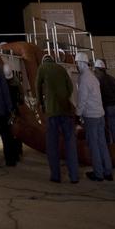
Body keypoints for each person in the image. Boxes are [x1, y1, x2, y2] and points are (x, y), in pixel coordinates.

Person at [36, 51, 79, 184]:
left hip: (52, 112)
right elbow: (70, 87)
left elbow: (37, 86)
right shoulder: (61, 68)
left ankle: (56, 176)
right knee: (70, 144)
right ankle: (74, 176)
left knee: (52, 145)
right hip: (66, 111)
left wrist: (41, 103)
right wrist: (64, 98)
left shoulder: (42, 68)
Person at [74, 52, 113, 182]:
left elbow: (82, 99)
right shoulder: (93, 77)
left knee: (94, 145)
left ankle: (98, 173)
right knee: (102, 143)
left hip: (91, 116)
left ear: (79, 63)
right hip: (100, 114)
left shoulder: (84, 78)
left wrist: (77, 114)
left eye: (76, 63)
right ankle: (108, 171)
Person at [94, 59, 115, 144]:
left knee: (108, 128)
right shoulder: (113, 79)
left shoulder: (99, 81)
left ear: (97, 70)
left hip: (107, 107)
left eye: (95, 70)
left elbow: (100, 96)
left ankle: (112, 148)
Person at [3, 64, 23, 162]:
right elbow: (21, 95)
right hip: (14, 110)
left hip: (7, 111)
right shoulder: (16, 82)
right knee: (16, 132)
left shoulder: (3, 83)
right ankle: (18, 151)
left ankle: (12, 153)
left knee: (9, 133)